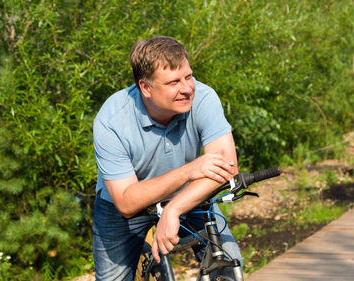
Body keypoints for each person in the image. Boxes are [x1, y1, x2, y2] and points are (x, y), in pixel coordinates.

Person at [92, 36, 242, 281]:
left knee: (227, 262)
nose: (187, 88)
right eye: (173, 82)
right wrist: (188, 171)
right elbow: (127, 203)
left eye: (189, 76)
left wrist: (174, 209)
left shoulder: (203, 98)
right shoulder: (111, 120)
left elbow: (227, 167)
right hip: (124, 207)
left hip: (187, 195)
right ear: (146, 87)